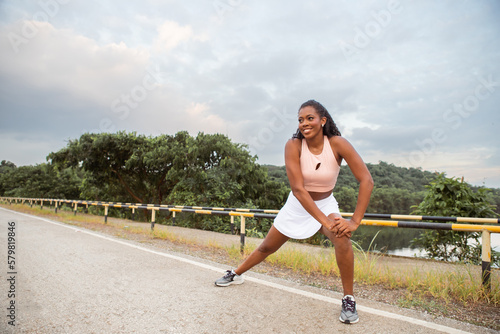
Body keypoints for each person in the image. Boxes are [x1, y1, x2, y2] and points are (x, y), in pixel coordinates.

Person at [215, 99, 374, 324]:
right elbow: (299, 190)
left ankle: (348, 298)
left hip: (326, 203)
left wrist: (354, 221)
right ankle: (236, 273)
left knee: (342, 237)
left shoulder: (338, 143)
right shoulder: (294, 145)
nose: (304, 123)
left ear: (323, 121)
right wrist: (326, 223)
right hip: (298, 204)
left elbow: (366, 180)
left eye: (310, 118)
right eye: (300, 120)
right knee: (267, 246)